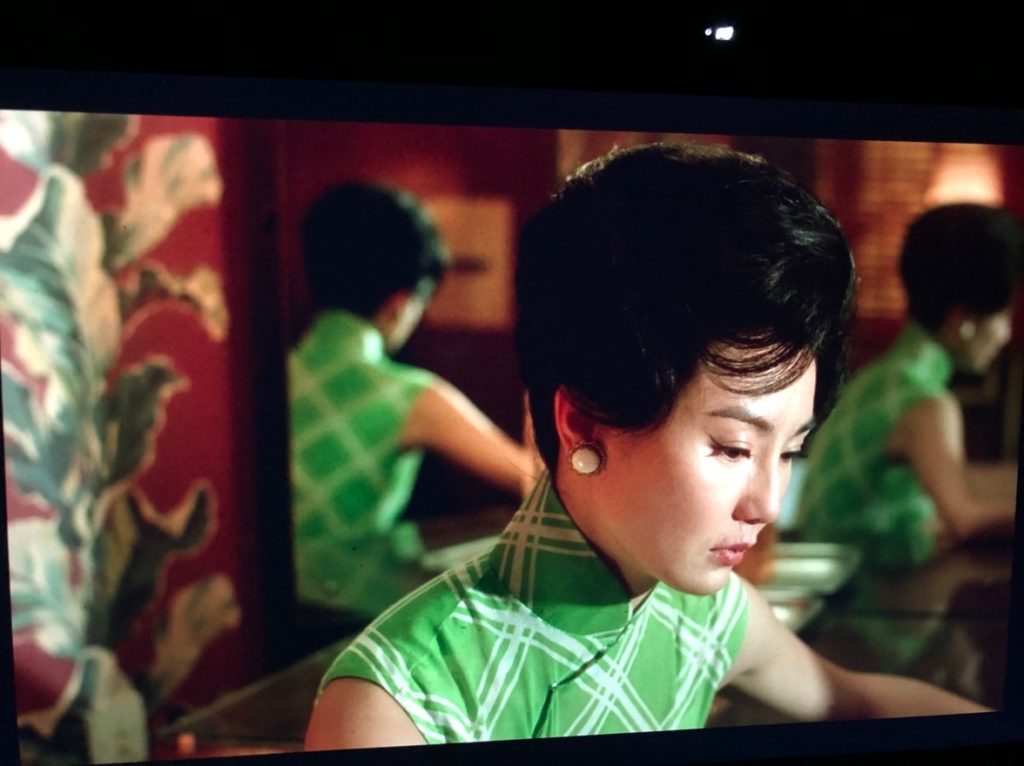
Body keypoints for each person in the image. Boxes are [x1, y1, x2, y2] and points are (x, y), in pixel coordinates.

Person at [304, 143, 987, 749]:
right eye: (730, 448)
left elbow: (857, 701)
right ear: (582, 424)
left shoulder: (707, 610)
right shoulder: (397, 703)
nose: (768, 504)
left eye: (789, 451)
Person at [289, 182, 535, 618]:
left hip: (267, 612)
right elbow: (532, 479)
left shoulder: (266, 378)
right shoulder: (413, 396)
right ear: (401, 303)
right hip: (355, 620)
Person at [798, 203, 1023, 569]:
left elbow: (958, 479)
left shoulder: (884, 377)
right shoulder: (924, 400)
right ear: (963, 319)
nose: (1006, 333)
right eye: (1004, 314)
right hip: (858, 605)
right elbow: (964, 518)